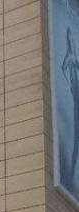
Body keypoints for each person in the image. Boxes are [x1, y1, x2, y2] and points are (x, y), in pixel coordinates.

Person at [62, 27, 79, 189]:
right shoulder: (68, 58)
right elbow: (63, 70)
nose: (72, 40)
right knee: (76, 136)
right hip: (75, 99)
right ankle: (71, 173)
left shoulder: (74, 59)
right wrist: (69, 86)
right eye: (70, 38)